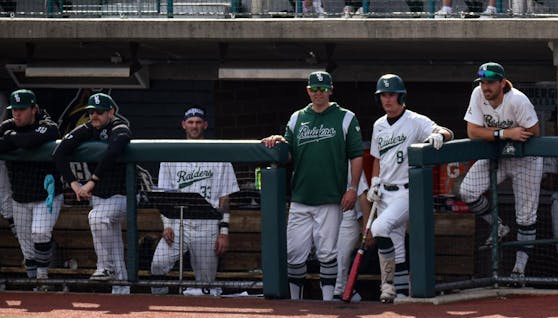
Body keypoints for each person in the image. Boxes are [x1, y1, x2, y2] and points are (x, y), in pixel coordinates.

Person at [261, 71, 364, 301]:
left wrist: (353, 189)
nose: (319, 93)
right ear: (308, 90)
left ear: (330, 90)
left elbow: (356, 155)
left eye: (323, 89)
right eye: (314, 89)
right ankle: (294, 303)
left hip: (330, 197)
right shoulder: (298, 117)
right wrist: (278, 140)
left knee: (328, 253)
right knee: (294, 253)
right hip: (300, 196)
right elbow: (288, 154)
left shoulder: (346, 117)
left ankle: (327, 303)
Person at [367, 73, 453, 304]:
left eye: (392, 95)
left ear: (401, 96)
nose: (387, 100)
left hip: (407, 192)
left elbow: (446, 131)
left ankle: (386, 283)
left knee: (379, 228)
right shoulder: (379, 124)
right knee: (395, 243)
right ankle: (401, 293)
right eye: (383, 95)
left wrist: (438, 136)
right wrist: (374, 182)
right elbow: (377, 158)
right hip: (384, 191)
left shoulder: (414, 120)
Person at [460, 61, 543, 284]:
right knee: (467, 191)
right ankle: (498, 225)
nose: (486, 87)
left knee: (526, 216)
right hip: (498, 156)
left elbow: (534, 130)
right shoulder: (477, 94)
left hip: (525, 160)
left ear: (502, 83)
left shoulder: (517, 99)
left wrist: (506, 134)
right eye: (483, 82)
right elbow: (472, 131)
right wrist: (505, 133)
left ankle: (519, 270)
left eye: (490, 83)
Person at [150, 107, 239, 297]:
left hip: (208, 224)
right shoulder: (170, 155)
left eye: (198, 122)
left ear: (205, 125)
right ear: (183, 125)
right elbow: (164, 194)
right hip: (178, 222)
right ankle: (160, 302)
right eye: (190, 122)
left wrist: (223, 232)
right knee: (157, 264)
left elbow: (225, 199)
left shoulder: (219, 155)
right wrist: (166, 225)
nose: (194, 126)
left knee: (206, 282)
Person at [54, 92, 133, 295]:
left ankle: (104, 267)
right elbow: (60, 152)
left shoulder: (119, 125)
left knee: (96, 218)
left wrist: (91, 182)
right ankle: (121, 289)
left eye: (99, 112)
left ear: (111, 111)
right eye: (91, 112)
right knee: (112, 238)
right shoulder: (89, 127)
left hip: (122, 195)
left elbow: (114, 150)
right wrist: (73, 184)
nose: (93, 116)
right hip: (99, 196)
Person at [0, 89, 62, 290]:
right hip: (20, 197)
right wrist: (12, 137)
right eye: (14, 110)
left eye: (22, 110)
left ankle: (43, 279)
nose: (17, 114)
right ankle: (35, 285)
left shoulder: (48, 125)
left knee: (41, 232)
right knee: (26, 248)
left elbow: (30, 141)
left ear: (34, 109)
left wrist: (10, 138)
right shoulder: (9, 125)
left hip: (47, 195)